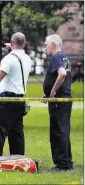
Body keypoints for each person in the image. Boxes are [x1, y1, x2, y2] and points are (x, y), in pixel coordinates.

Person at [0, 32, 32, 158]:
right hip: (20, 99)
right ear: (24, 44)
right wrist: (13, 47)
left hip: (8, 100)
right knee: (16, 132)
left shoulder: (9, 59)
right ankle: (18, 158)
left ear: (12, 43)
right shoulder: (27, 58)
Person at [42, 34, 73, 171]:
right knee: (63, 130)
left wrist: (53, 91)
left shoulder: (55, 57)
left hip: (58, 100)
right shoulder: (64, 57)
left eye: (46, 45)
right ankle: (67, 161)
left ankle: (62, 164)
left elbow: (62, 74)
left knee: (58, 131)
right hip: (65, 98)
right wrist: (48, 92)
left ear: (53, 44)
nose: (45, 48)